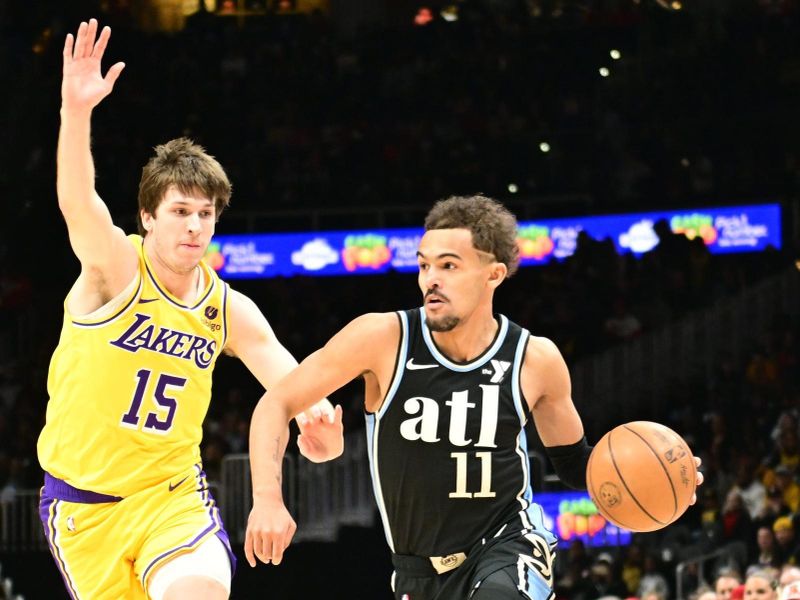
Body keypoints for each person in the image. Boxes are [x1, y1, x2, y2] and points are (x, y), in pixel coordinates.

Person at [244, 195, 703, 599]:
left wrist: (652, 473)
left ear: (494, 274)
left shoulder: (535, 360)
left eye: (449, 265)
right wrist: (267, 497)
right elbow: (275, 404)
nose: (430, 280)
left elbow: (575, 464)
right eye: (424, 265)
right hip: (416, 571)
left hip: (508, 546)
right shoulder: (381, 338)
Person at [36, 19, 343, 600]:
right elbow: (78, 202)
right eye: (180, 211)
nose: (195, 225)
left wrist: (322, 430)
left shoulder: (230, 309)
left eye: (206, 214)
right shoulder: (115, 270)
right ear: (148, 217)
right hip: (82, 509)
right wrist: (75, 114)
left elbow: (297, 392)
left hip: (171, 496)